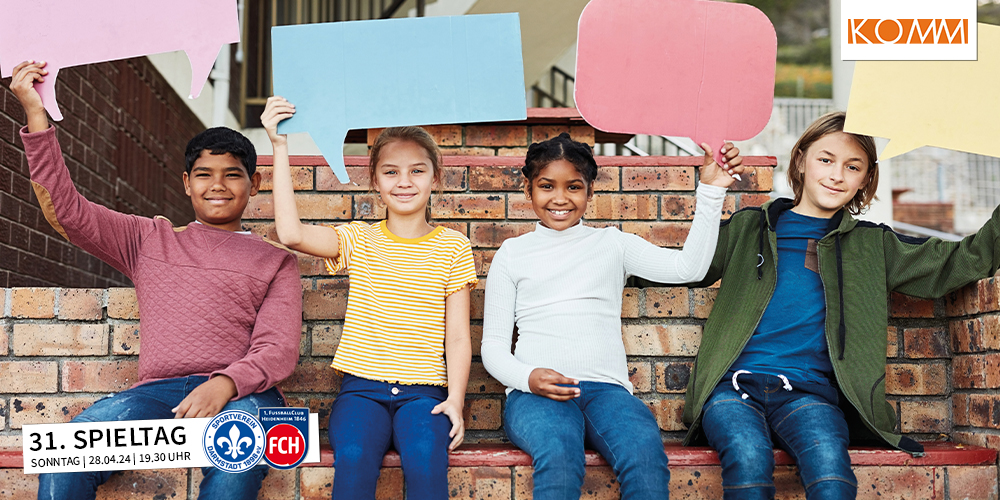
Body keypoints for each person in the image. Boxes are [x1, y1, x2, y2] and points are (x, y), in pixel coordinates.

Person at [9, 61, 302, 500]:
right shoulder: (147, 238)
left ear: (255, 184)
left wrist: (223, 384)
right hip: (154, 396)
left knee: (235, 469)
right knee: (70, 450)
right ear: (186, 183)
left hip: (244, 394)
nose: (217, 185)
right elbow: (65, 211)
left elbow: (277, 350)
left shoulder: (276, 261)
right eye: (204, 175)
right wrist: (35, 114)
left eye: (233, 175)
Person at [680, 111, 1000, 499]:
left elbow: (959, 261)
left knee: (832, 474)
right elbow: (681, 266)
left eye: (853, 167)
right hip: (732, 390)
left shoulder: (873, 245)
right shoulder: (750, 228)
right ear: (800, 160)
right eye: (826, 159)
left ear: (865, 179)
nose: (836, 175)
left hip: (809, 394)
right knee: (748, 460)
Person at [481, 132, 743, 500]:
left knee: (646, 457)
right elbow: (492, 347)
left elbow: (689, 268)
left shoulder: (612, 244)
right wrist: (528, 377)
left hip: (607, 393)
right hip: (535, 395)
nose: (560, 198)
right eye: (546, 186)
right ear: (528, 190)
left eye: (573, 187)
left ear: (590, 192)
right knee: (558, 457)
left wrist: (712, 191)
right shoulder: (512, 253)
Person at [261, 96, 476, 499]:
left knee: (428, 467)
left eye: (417, 170)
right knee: (354, 463)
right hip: (361, 392)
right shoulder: (360, 239)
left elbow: (458, 337)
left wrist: (456, 401)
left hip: (424, 394)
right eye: (391, 172)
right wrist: (279, 146)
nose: (404, 181)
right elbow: (291, 234)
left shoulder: (453, 247)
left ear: (436, 177)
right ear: (375, 181)